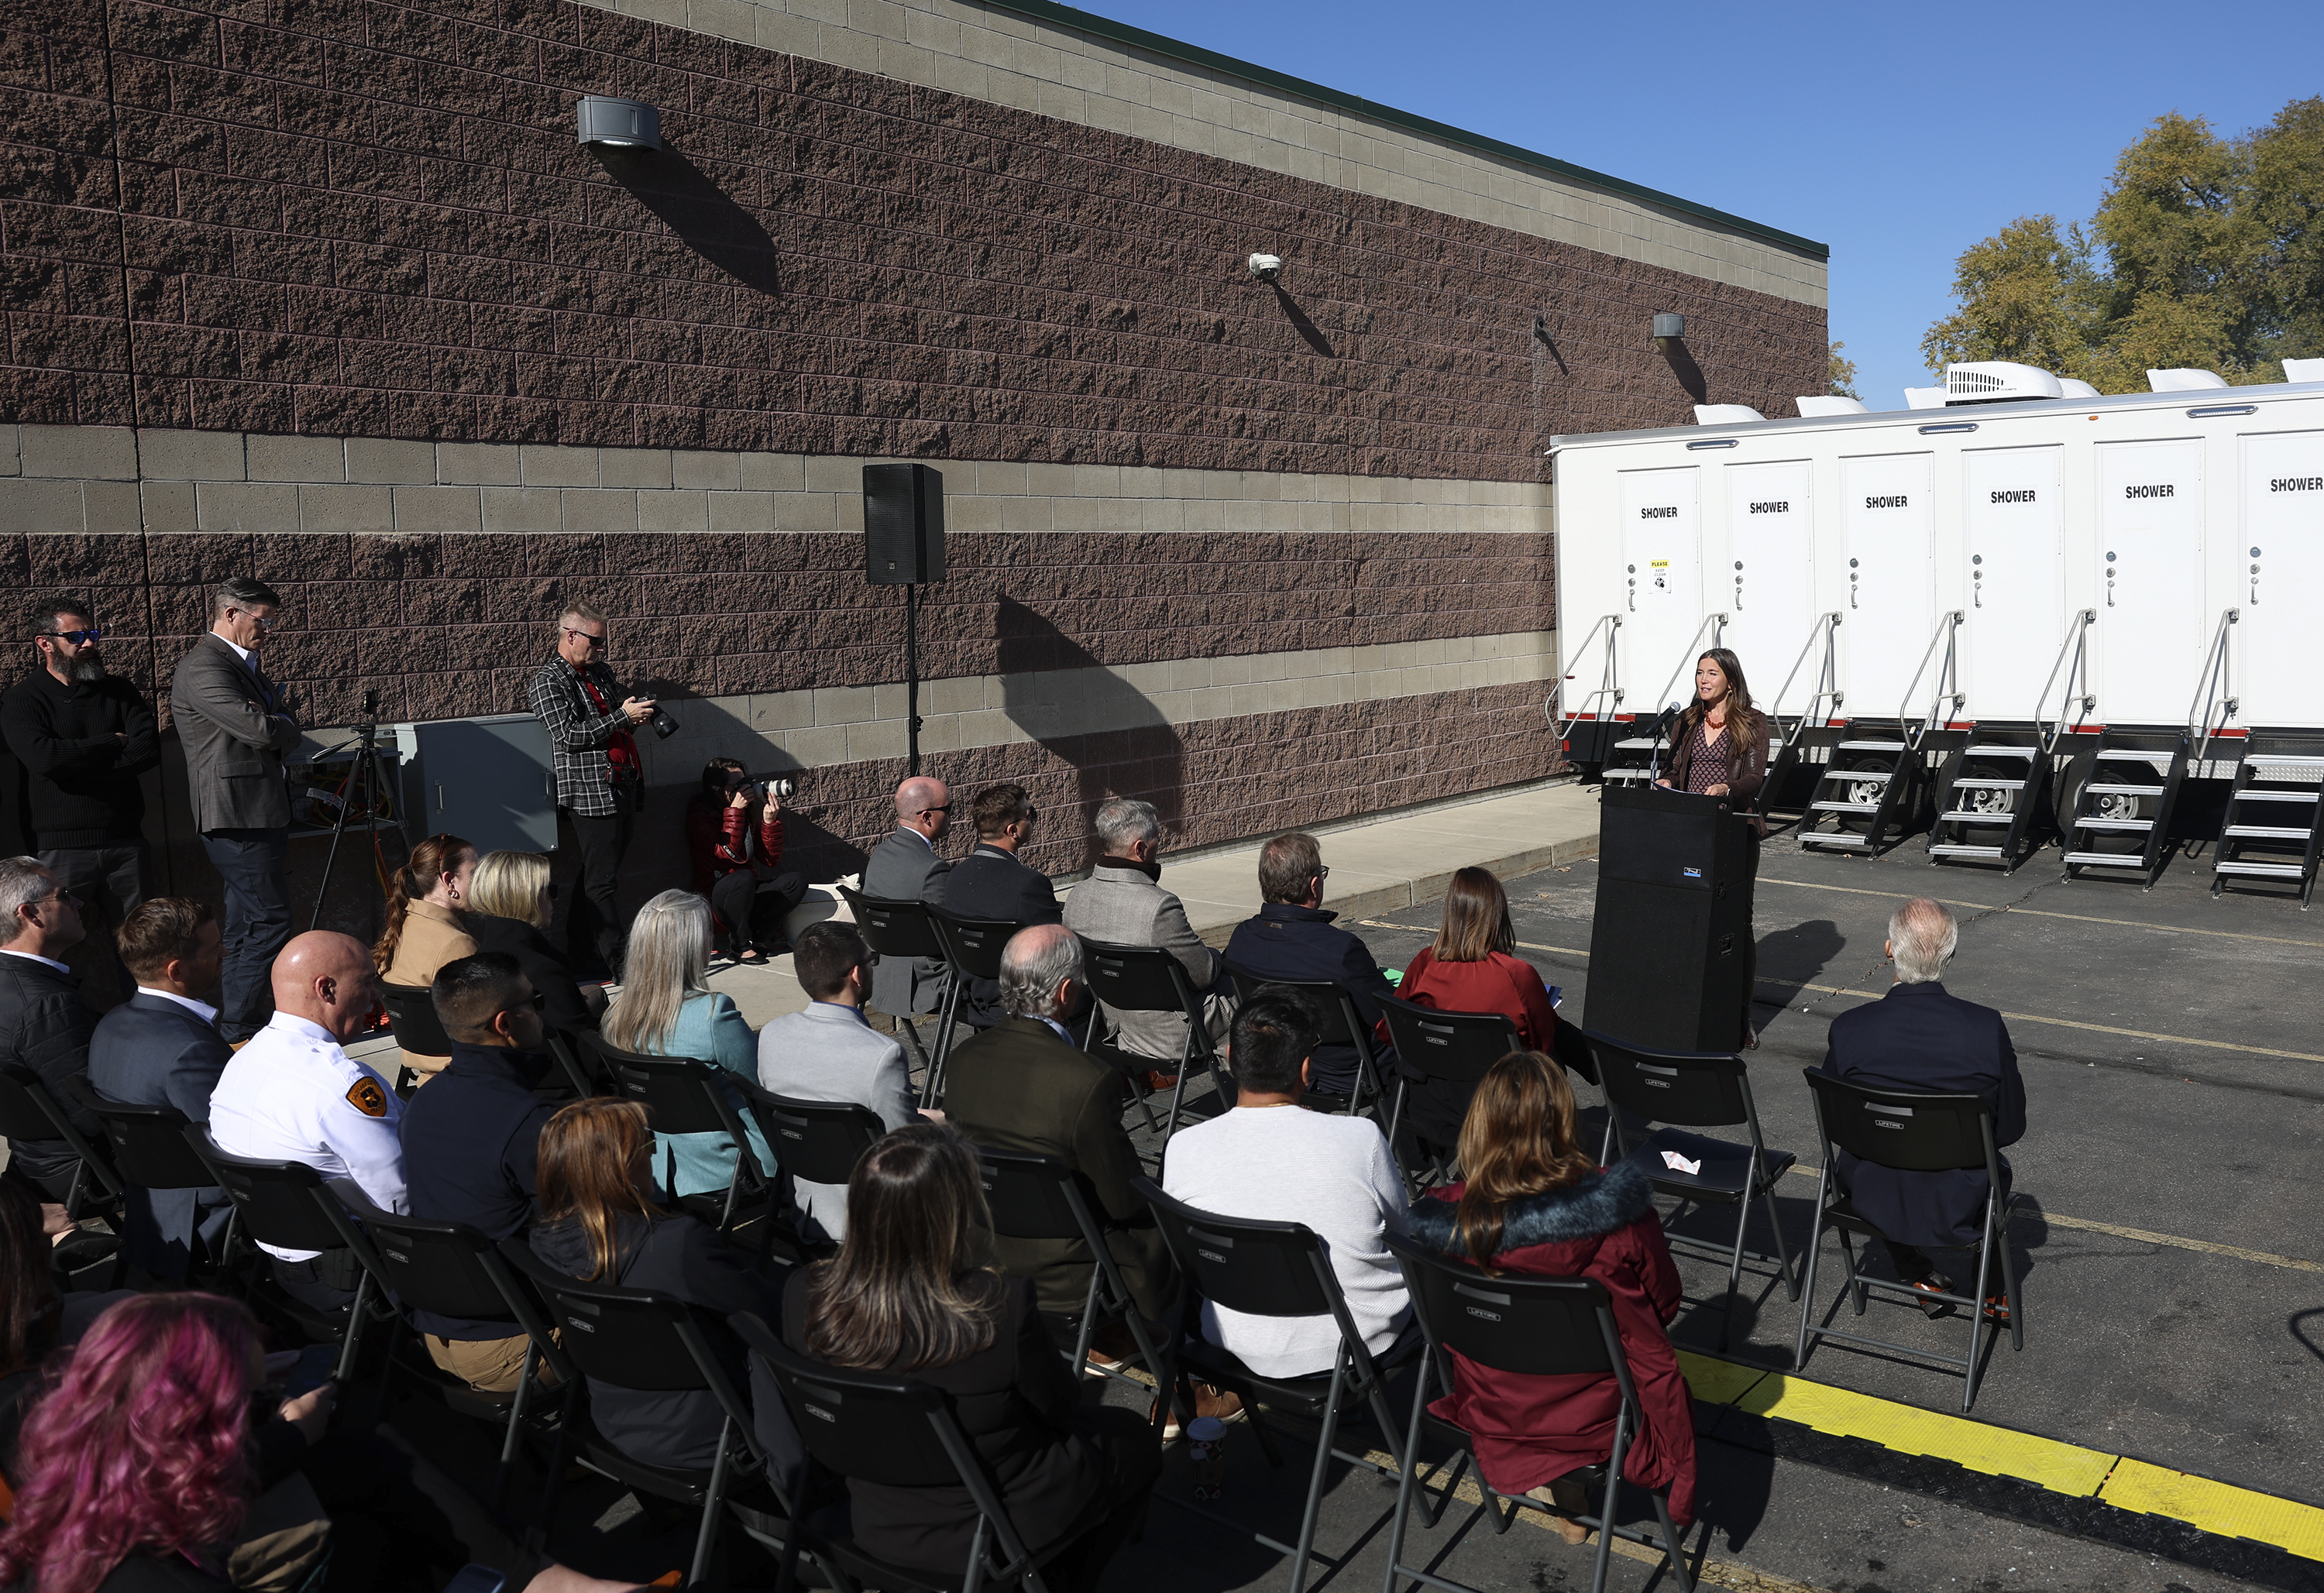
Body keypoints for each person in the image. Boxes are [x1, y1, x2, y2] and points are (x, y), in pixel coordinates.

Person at [0, 1289, 640, 1593]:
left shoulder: (83, 1505)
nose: (256, 1414)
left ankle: (547, 1581)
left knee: (357, 1476)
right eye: (243, 1405)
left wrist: (290, 1434)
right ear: (182, 1421)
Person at [782, 1123, 1160, 1592]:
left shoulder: (805, 1295)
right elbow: (1059, 1407)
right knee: (1131, 1438)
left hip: (875, 1517)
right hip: (990, 1525)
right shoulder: (997, 1307)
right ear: (953, 1216)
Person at [1404, 1051, 1697, 1543]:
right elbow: (1663, 1307)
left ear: (1479, 1125)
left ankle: (1562, 1490)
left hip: (1491, 1400)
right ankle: (1568, 1487)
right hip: (1592, 1416)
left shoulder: (1440, 1223)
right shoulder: (1616, 1214)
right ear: (1563, 1124)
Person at [529, 1097, 803, 1493]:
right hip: (713, 1434)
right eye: (648, 1146)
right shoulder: (676, 1246)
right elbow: (768, 1309)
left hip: (619, 1423)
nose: (653, 1154)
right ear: (621, 1168)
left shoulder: (543, 1245)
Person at [1162, 990, 1410, 1385]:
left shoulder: (1182, 1147)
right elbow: (1404, 1234)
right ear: (1306, 1069)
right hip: (1355, 1340)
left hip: (1231, 1334)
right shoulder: (1360, 1138)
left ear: (1229, 1059)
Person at [941, 925, 1170, 1334]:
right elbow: (1124, 1202)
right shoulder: (1087, 1079)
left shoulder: (963, 1059)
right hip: (1068, 1279)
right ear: (1066, 993)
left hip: (984, 1256)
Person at [1820, 897, 2027, 1320]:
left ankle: (1914, 1271)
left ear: (1889, 950)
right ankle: (1990, 1290)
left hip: (1871, 1196)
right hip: (1960, 1203)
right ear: (1950, 954)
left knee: (1875, 1147)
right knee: (1996, 1169)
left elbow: (1834, 1122)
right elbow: (2009, 1127)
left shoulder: (1849, 1028)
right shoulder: (1985, 1027)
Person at [207, 931, 404, 1312]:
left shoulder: (240, 1064)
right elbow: (398, 1197)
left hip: (288, 1271)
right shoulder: (340, 1082)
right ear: (326, 989)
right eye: (366, 983)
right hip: (363, 1273)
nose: (375, 997)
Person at [399, 953, 559, 1393]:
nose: (543, 1013)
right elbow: (582, 1243)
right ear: (505, 1024)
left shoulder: (421, 1105)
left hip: (439, 1332)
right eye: (537, 1001)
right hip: (516, 1343)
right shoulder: (528, 1123)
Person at [1, 593, 160, 996]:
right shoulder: (24, 699)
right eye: (77, 637)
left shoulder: (119, 691)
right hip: (59, 852)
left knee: (144, 948)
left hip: (126, 843)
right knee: (48, 948)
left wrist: (78, 764)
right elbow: (45, 759)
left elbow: (147, 751)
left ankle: (145, 1031)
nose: (89, 643)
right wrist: (110, 742)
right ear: (45, 643)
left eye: (92, 633)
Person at [169, 576, 302, 1044]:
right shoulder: (205, 667)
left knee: (249, 924)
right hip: (236, 815)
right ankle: (240, 1028)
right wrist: (279, 723)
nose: (269, 630)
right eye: (262, 621)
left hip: (260, 812)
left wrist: (279, 721)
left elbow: (282, 719)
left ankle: (242, 1024)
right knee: (268, 921)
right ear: (231, 615)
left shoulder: (244, 665)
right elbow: (265, 731)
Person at [755, 922, 933, 1244]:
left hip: (805, 1207)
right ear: (857, 974)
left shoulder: (772, 1034)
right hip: (872, 1222)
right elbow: (906, 1149)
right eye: (871, 960)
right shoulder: (882, 1056)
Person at [85, 897, 233, 1281]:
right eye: (214, 946)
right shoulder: (192, 1048)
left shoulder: (110, 1026)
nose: (225, 952)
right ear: (177, 969)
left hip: (148, 1208)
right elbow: (241, 1142)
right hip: (209, 1217)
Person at [600, 890, 774, 1203]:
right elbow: (763, 1082)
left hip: (656, 1166)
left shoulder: (616, 1016)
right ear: (691, 946)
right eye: (706, 931)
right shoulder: (713, 1015)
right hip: (729, 1167)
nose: (711, 938)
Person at [1061, 798, 1234, 1085]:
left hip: (1117, 1028)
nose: (1159, 845)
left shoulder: (1076, 897)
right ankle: (1271, 1092)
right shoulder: (1159, 906)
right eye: (1157, 839)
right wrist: (1216, 955)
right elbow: (1203, 974)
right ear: (1140, 849)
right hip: (1171, 1039)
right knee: (1247, 987)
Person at [527, 601, 656, 980]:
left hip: (623, 783)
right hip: (589, 792)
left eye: (603, 643)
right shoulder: (549, 680)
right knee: (601, 882)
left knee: (598, 877)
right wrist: (621, 717)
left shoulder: (601, 672)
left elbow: (614, 724)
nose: (601, 650)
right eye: (596, 642)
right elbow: (566, 736)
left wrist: (635, 717)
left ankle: (583, 955)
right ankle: (619, 963)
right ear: (571, 635)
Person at [1391, 867, 1559, 1155]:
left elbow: (1390, 1031)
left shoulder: (1424, 963)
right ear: (1497, 917)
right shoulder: (1517, 974)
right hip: (1501, 1110)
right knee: (1556, 1046)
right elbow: (1544, 1045)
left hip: (1430, 1103)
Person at [1652, 646, 1770, 1046]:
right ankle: (1686, 1004)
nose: (1703, 680)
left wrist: (1727, 789)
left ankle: (1740, 1015)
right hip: (1691, 830)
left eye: (1712, 674)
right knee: (1688, 918)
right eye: (1700, 673)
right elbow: (1671, 767)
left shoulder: (1752, 722)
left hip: (1734, 828)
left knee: (1738, 922)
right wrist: (1667, 781)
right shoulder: (1686, 721)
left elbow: (1755, 778)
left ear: (1730, 681)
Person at [1222, 832, 1395, 1102]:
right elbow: (1388, 1015)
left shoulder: (1241, 938)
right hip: (1345, 1071)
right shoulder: (1342, 949)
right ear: (1314, 886)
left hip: (1271, 1061)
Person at [0, 856, 101, 1210]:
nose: (78, 903)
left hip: (31, 1165)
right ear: (30, 914)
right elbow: (93, 1115)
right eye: (65, 896)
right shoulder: (47, 1004)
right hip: (78, 1173)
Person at [943, 783, 1063, 1028]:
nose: (1033, 819)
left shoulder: (955, 876)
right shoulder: (1030, 884)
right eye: (1031, 815)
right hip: (1022, 1002)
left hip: (973, 995)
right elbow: (1057, 953)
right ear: (1013, 830)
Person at [371, 833, 479, 1084]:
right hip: (462, 1076)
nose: (483, 880)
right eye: (475, 872)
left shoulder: (401, 927)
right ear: (449, 881)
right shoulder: (456, 944)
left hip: (423, 1074)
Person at [464, 850, 606, 1033]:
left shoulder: (478, 961)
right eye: (550, 889)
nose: (554, 899)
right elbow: (586, 1055)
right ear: (526, 896)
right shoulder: (543, 973)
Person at [685, 758, 808, 966]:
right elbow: (727, 853)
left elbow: (770, 860)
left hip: (747, 893)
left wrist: (769, 823)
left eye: (745, 783)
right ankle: (740, 947)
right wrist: (735, 811)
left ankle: (761, 938)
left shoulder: (746, 812)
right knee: (742, 877)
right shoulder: (699, 814)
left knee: (795, 881)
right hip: (716, 900)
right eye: (736, 785)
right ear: (718, 789)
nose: (744, 790)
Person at [861, 774, 952, 1027]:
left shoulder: (880, 854)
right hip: (924, 983)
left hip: (883, 973)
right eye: (948, 809)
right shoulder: (933, 869)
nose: (951, 815)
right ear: (927, 817)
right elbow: (949, 936)